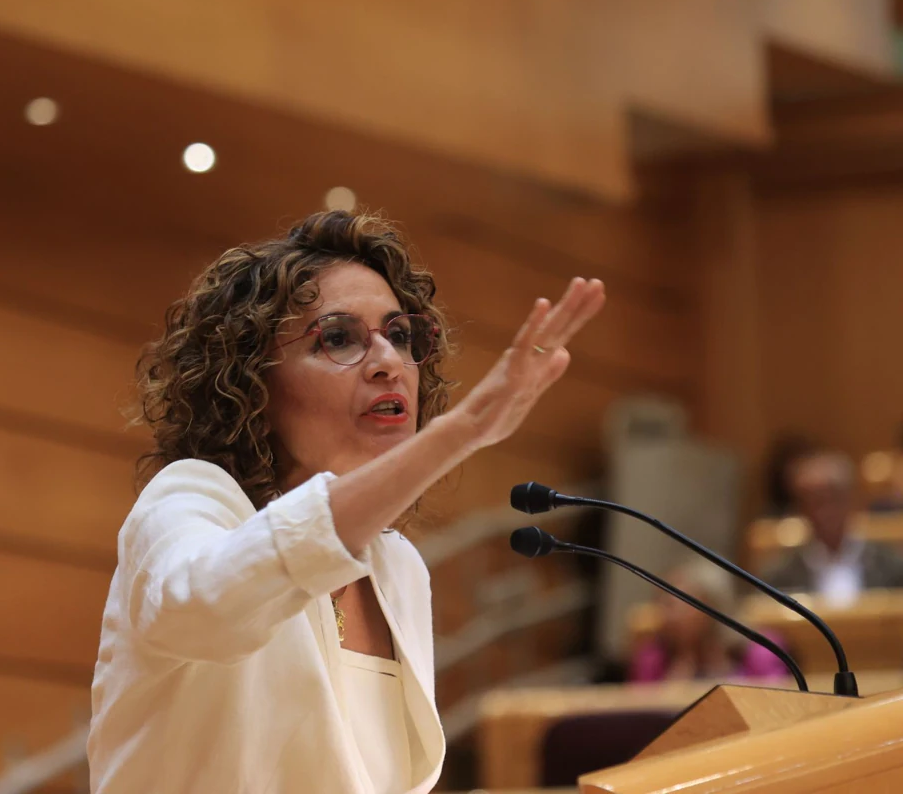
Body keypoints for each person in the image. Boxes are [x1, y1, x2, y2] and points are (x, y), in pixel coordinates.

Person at [86, 210, 606, 793]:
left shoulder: (399, 567)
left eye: (399, 335)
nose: (388, 362)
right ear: (251, 383)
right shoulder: (191, 501)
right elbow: (206, 609)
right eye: (338, 338)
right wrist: (462, 432)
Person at [765, 449, 903, 605]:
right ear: (800, 509)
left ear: (851, 500)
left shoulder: (891, 566)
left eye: (833, 500)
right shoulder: (779, 575)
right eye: (815, 503)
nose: (825, 512)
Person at [628, 559, 788, 684]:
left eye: (672, 605)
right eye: (660, 603)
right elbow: (638, 717)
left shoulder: (761, 652)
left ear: (710, 606)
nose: (665, 615)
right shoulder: (651, 658)